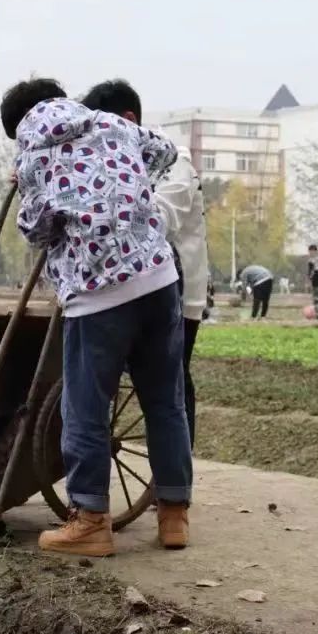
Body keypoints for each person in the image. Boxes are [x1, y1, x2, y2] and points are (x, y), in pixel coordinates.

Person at [1, 77, 189, 557]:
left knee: (83, 407)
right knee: (164, 402)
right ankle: (173, 517)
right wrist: (125, 185)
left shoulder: (34, 155)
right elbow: (165, 153)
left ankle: (90, 521)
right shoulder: (110, 124)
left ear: (18, 125)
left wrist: (29, 188)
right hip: (158, 276)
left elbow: (37, 230)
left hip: (98, 291)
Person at [83, 80, 207, 450]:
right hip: (122, 285)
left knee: (168, 384)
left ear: (129, 120)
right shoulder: (110, 161)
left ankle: (173, 482)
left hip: (176, 294)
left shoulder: (174, 165)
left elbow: (158, 219)